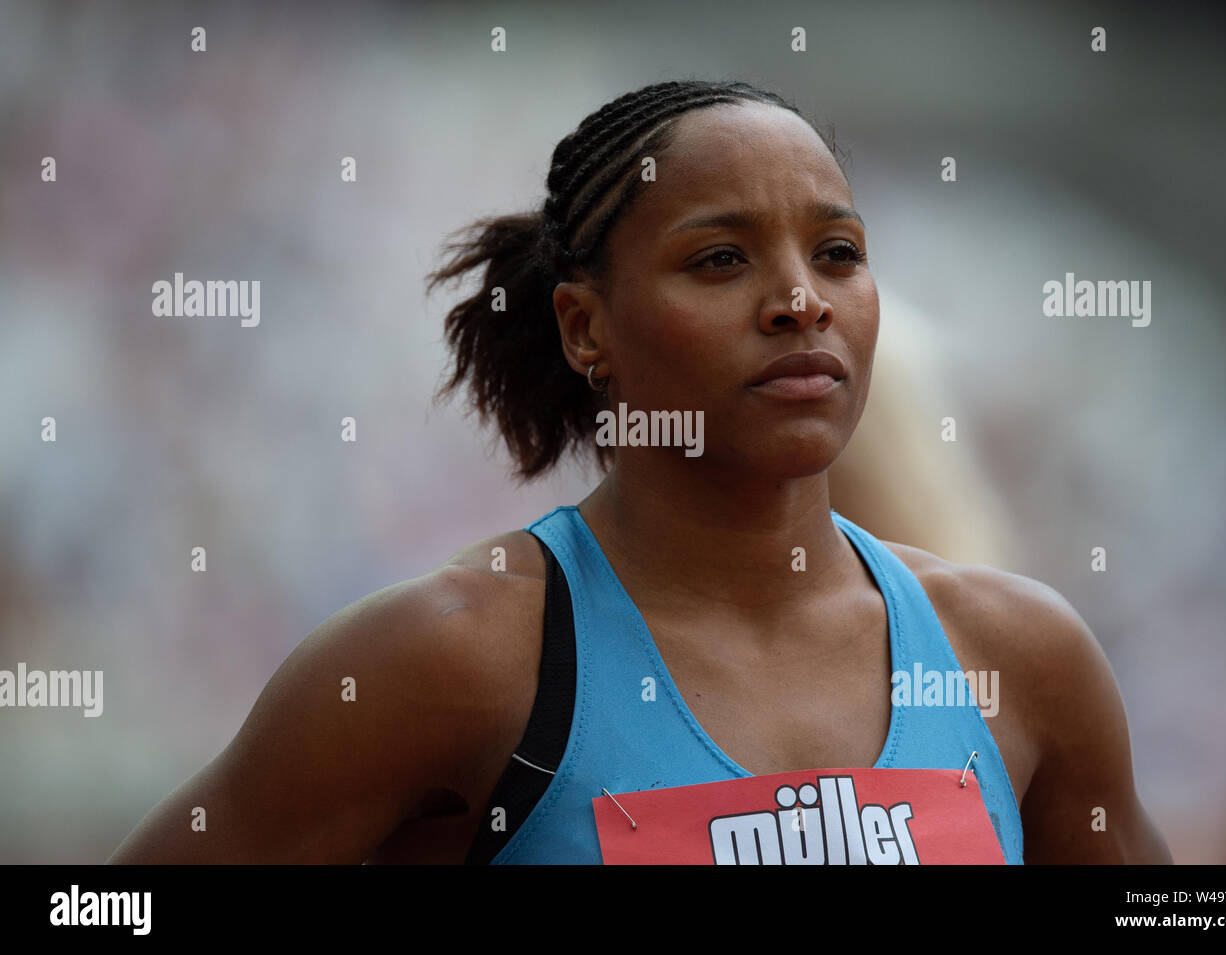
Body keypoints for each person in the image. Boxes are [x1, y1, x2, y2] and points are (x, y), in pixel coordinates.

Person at [109, 78, 1172, 865]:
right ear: (584, 326)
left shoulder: (1022, 655)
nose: (801, 300)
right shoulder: (450, 661)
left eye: (838, 253)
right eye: (721, 258)